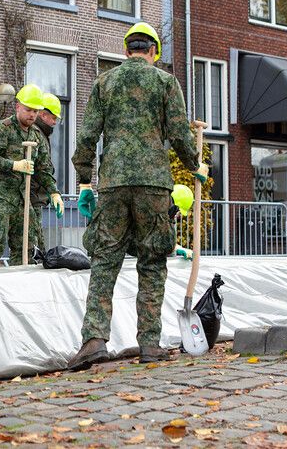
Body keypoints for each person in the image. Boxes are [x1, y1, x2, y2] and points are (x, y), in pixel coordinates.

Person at [67, 22, 209, 369]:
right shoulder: (164, 82)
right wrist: (196, 165)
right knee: (151, 261)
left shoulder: (105, 82)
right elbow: (178, 132)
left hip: (113, 182)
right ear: (153, 52)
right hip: (153, 184)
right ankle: (149, 343)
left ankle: (94, 340)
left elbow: (86, 137)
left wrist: (85, 181)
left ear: (126, 49)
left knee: (105, 260)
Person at [0, 84, 64, 268]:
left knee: (26, 248)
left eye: (36, 111)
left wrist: (54, 193)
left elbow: (43, 168)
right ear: (17, 107)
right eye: (28, 110)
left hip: (22, 199)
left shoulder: (36, 136)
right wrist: (14, 165)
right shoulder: (1, 129)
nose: (32, 115)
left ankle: (19, 290)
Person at [31, 92, 62, 252]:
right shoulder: (37, 134)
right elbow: (42, 168)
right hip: (32, 197)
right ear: (43, 115)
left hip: (36, 196)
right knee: (35, 245)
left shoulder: (42, 133)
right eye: (54, 118)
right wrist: (54, 192)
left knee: (35, 243)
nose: (55, 123)